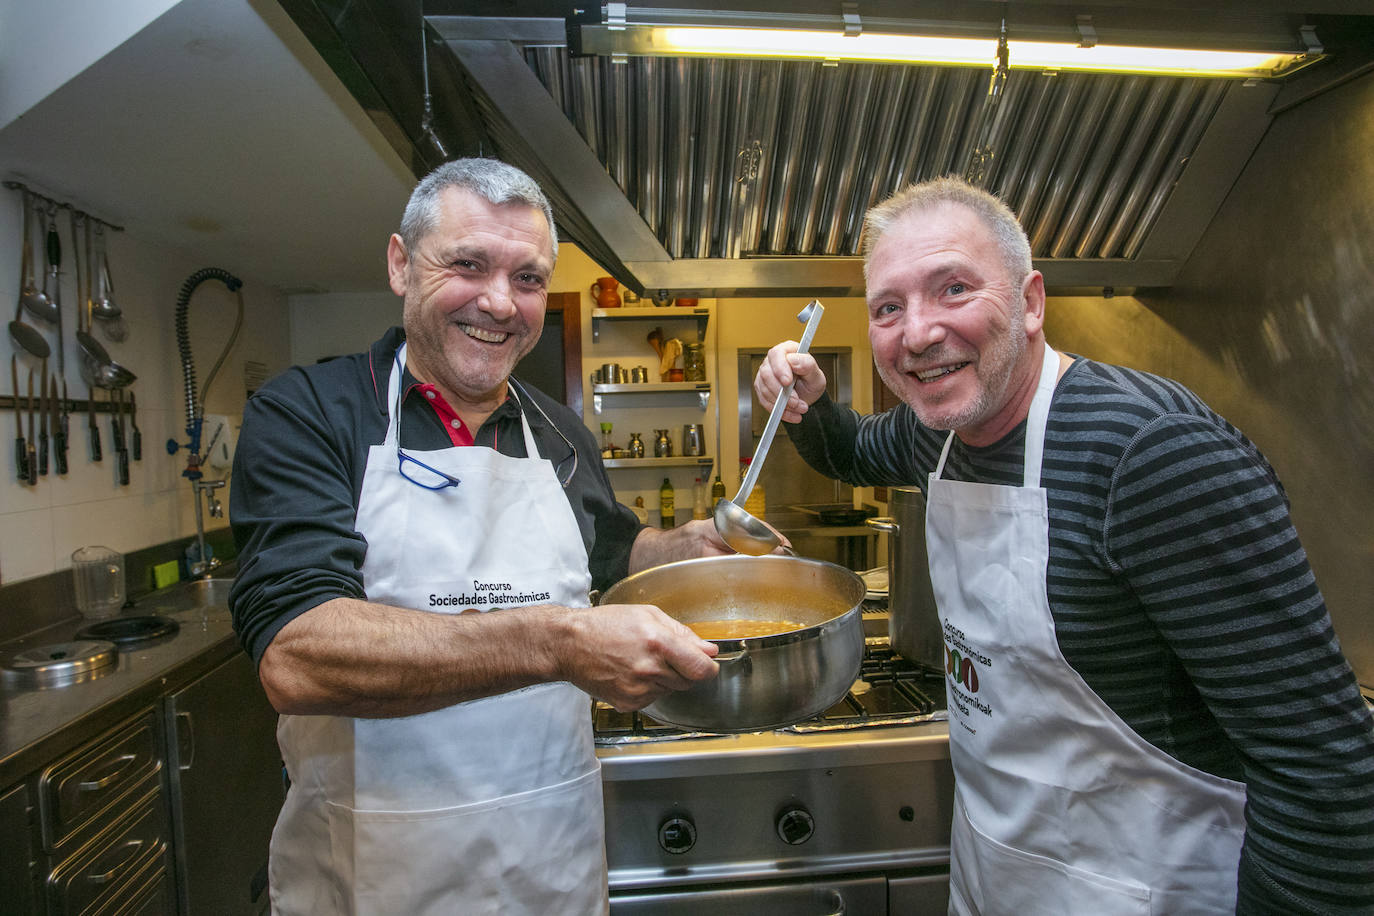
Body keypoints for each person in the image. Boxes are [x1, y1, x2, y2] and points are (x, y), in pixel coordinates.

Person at [754, 177, 1374, 915]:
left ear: (1031, 302)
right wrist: (808, 404)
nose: (917, 332)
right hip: (996, 880)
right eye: (889, 308)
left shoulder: (1152, 455)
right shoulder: (936, 436)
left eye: (953, 289)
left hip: (1150, 892)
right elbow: (853, 451)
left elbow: (1323, 777)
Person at [229, 157, 733, 915]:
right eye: (468, 265)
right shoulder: (309, 413)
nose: (500, 303)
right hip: (376, 876)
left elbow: (610, 551)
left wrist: (679, 549)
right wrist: (556, 644)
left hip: (549, 865)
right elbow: (297, 655)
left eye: (528, 279)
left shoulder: (559, 431)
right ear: (402, 264)